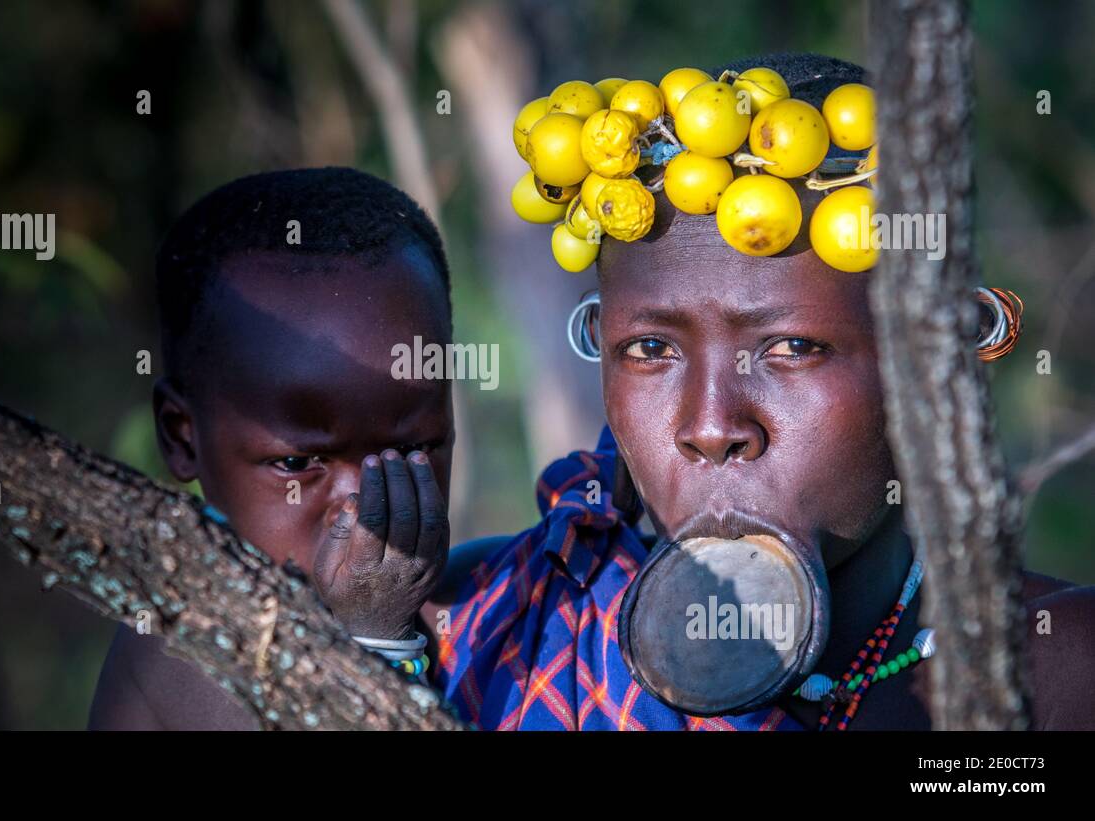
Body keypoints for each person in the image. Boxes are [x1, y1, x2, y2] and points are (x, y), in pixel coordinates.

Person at [421, 52, 1095, 730]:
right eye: (650, 349)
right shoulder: (485, 625)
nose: (711, 426)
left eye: (792, 348)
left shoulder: (1059, 674)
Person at [88, 167, 456, 729]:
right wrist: (372, 642)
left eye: (415, 448)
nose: (364, 510)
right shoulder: (184, 643)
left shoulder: (466, 599)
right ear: (182, 437)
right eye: (296, 463)